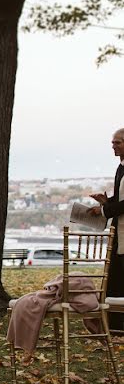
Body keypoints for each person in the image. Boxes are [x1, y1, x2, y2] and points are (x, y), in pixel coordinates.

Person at [89, 127, 124, 331]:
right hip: (119, 234)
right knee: (114, 280)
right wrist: (106, 202)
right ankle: (115, 326)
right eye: (112, 143)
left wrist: (105, 210)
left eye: (117, 142)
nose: (113, 146)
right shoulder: (120, 168)